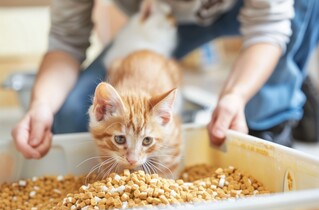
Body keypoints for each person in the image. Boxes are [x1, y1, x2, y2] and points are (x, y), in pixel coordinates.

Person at [12, 0, 319, 159]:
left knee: (304, 6)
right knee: (68, 122)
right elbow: (66, 42)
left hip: (241, 10)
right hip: (158, 23)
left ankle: (274, 105)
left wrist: (235, 95)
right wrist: (40, 105)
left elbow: (269, 25)